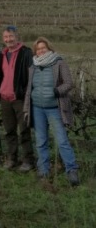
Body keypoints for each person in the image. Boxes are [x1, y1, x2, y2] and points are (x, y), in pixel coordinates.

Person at [23, 37, 80, 186]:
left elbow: (69, 83)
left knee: (62, 141)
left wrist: (56, 91)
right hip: (37, 108)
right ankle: (43, 171)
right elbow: (30, 88)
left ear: (49, 49)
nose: (41, 51)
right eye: (38, 48)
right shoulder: (33, 66)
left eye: (44, 48)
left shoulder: (59, 62)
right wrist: (27, 107)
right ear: (35, 51)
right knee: (41, 141)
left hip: (54, 108)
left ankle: (72, 170)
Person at [0, 26, 35, 172]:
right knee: (9, 130)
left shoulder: (26, 52)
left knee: (24, 130)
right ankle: (12, 158)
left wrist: (25, 93)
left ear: (17, 37)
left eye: (11, 36)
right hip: (5, 98)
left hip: (20, 98)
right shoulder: (2, 54)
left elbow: (31, 75)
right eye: (5, 37)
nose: (8, 39)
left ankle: (28, 160)